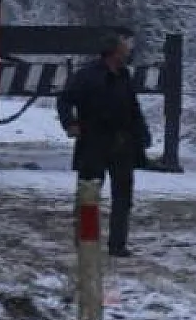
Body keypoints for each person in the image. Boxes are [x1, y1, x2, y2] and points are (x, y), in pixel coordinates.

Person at [56, 30, 151, 258]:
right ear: (113, 52)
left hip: (122, 143)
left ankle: (118, 244)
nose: (127, 51)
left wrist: (142, 136)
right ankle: (85, 241)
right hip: (93, 142)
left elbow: (132, 107)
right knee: (88, 194)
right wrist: (70, 123)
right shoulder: (87, 76)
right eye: (123, 48)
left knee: (123, 196)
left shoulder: (124, 75)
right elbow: (64, 100)